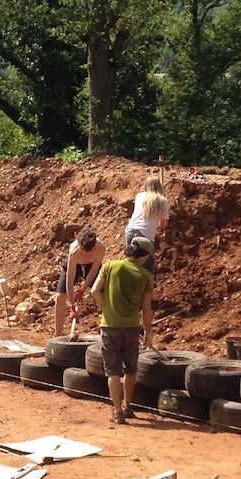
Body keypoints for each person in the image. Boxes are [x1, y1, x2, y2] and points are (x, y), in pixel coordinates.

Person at [91, 236, 156, 424]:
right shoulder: (146, 276)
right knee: (131, 369)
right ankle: (128, 406)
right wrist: (149, 333)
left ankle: (117, 412)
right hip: (131, 328)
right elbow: (147, 310)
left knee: (112, 371)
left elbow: (95, 290)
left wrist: (106, 308)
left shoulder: (110, 265)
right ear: (143, 255)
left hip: (110, 326)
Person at [53, 230, 106, 337]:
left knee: (104, 293)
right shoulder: (74, 251)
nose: (83, 252)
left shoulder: (100, 248)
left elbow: (94, 270)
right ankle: (57, 336)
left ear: (93, 248)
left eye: (86, 251)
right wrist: (72, 306)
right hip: (75, 265)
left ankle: (107, 330)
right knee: (60, 297)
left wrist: (82, 289)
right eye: (81, 248)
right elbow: (69, 280)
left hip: (90, 266)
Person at [124, 175, 170, 274]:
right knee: (147, 268)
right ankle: (145, 288)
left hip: (130, 231)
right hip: (145, 235)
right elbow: (164, 225)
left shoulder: (139, 196)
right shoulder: (163, 201)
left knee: (131, 263)